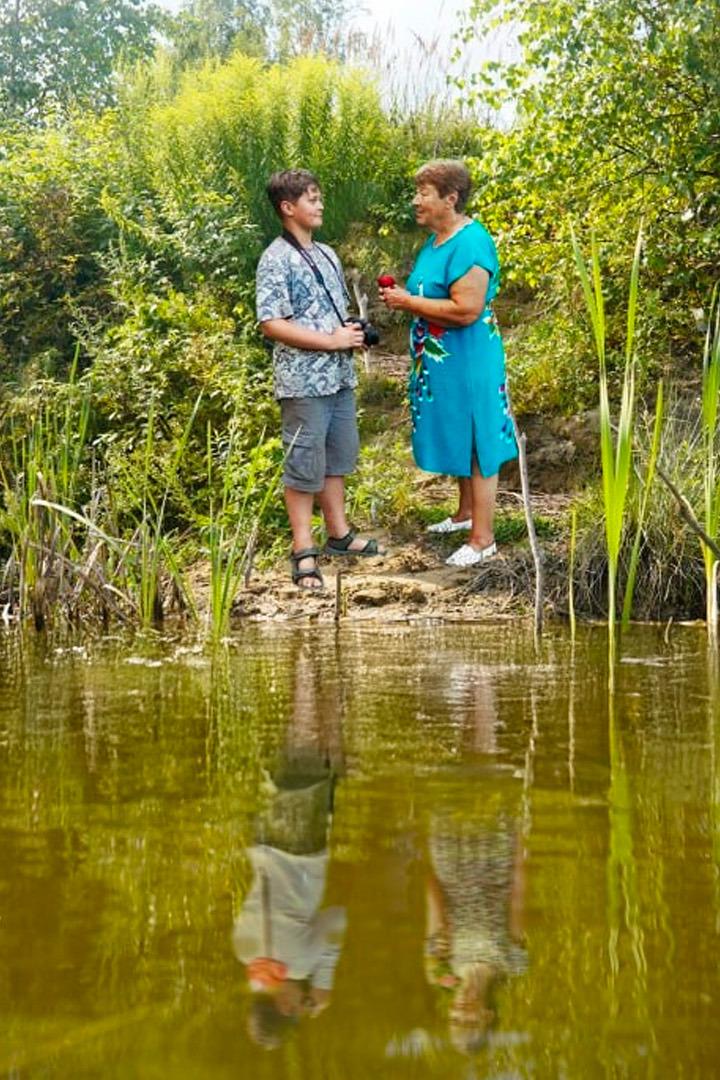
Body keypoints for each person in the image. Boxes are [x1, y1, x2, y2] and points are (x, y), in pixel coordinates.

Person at [379, 160, 517, 567]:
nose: (415, 201)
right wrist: (406, 298)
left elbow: (467, 310)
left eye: (423, 193)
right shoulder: (436, 241)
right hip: (441, 363)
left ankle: (483, 539)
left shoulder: (471, 242)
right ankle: (465, 513)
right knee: (459, 430)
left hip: (469, 361)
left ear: (451, 198)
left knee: (477, 440)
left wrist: (408, 302)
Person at [256, 168, 384, 591]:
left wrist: (350, 334)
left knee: (337, 457)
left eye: (319, 197)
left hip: (339, 377)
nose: (320, 205)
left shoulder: (327, 253)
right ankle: (303, 550)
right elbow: (271, 323)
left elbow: (329, 314)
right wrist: (331, 341)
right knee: (303, 463)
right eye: (311, 199)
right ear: (288, 207)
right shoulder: (275, 258)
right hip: (302, 382)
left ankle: (339, 534)